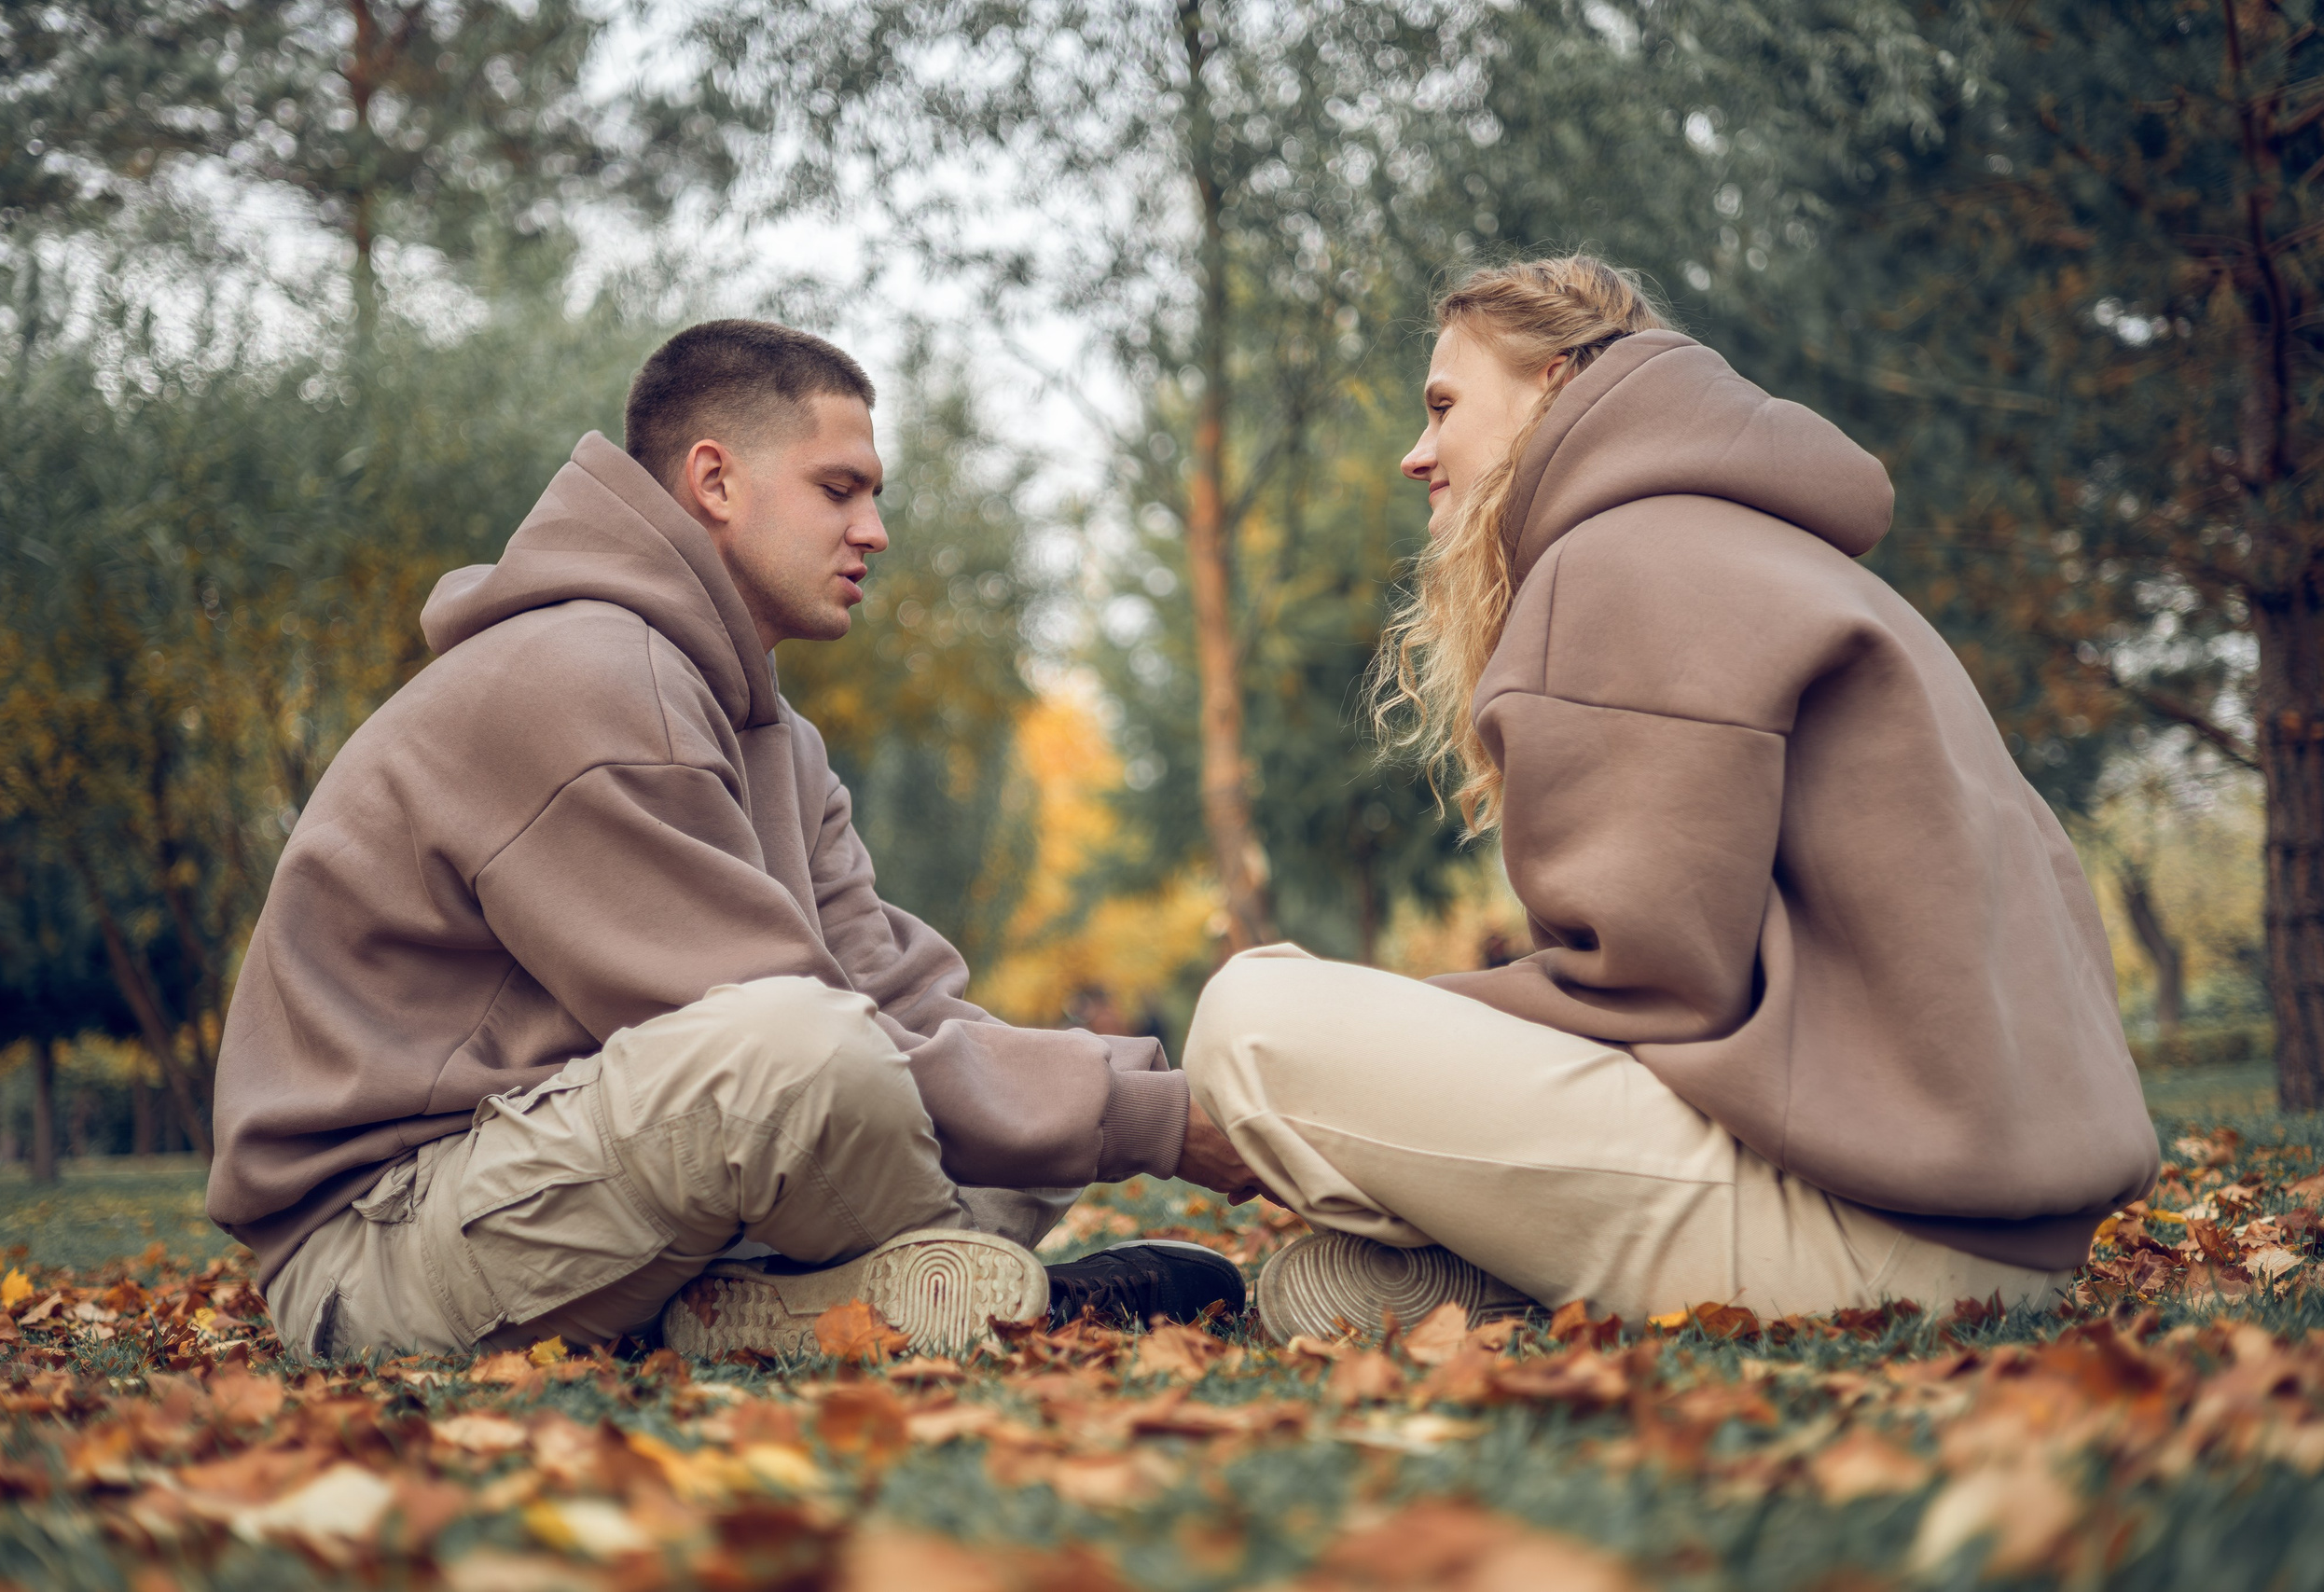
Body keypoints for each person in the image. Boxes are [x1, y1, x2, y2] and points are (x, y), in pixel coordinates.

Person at [207, 320, 1260, 1360]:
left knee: (1034, 1090)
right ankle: (968, 1291)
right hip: (380, 1245)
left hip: (576, 1190)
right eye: (837, 490)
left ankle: (816, 1305)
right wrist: (1153, 1126)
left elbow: (898, 1002)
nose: (875, 531)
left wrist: (1164, 1097)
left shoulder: (776, 740)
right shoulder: (581, 675)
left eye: (875, 496)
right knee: (804, 1054)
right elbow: (781, 1041)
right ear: (714, 481)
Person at [1183, 256, 2162, 1340]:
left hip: (1887, 1247)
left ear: (1554, 383)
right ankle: (1480, 1276)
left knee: (1251, 1021)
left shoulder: (1621, 559)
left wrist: (1396, 1043)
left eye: (1443, 406)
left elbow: (1648, 991)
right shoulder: (1773, 552)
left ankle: (1477, 1247)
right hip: (2010, 1231)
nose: (1418, 454)